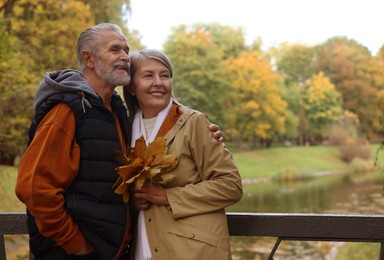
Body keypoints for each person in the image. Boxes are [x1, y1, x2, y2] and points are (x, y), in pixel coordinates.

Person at [15, 23, 224, 260]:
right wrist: (76, 244)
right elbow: (34, 188)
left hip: (113, 250)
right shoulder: (67, 109)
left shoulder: (117, 109)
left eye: (126, 49)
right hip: (72, 252)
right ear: (89, 59)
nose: (125, 57)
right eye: (115, 50)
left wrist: (205, 133)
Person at [123, 49, 243, 260]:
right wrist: (133, 203)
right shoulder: (124, 129)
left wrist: (168, 196)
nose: (159, 82)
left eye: (165, 75)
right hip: (143, 248)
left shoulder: (194, 122)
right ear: (132, 86)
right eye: (148, 75)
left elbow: (230, 185)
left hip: (193, 252)